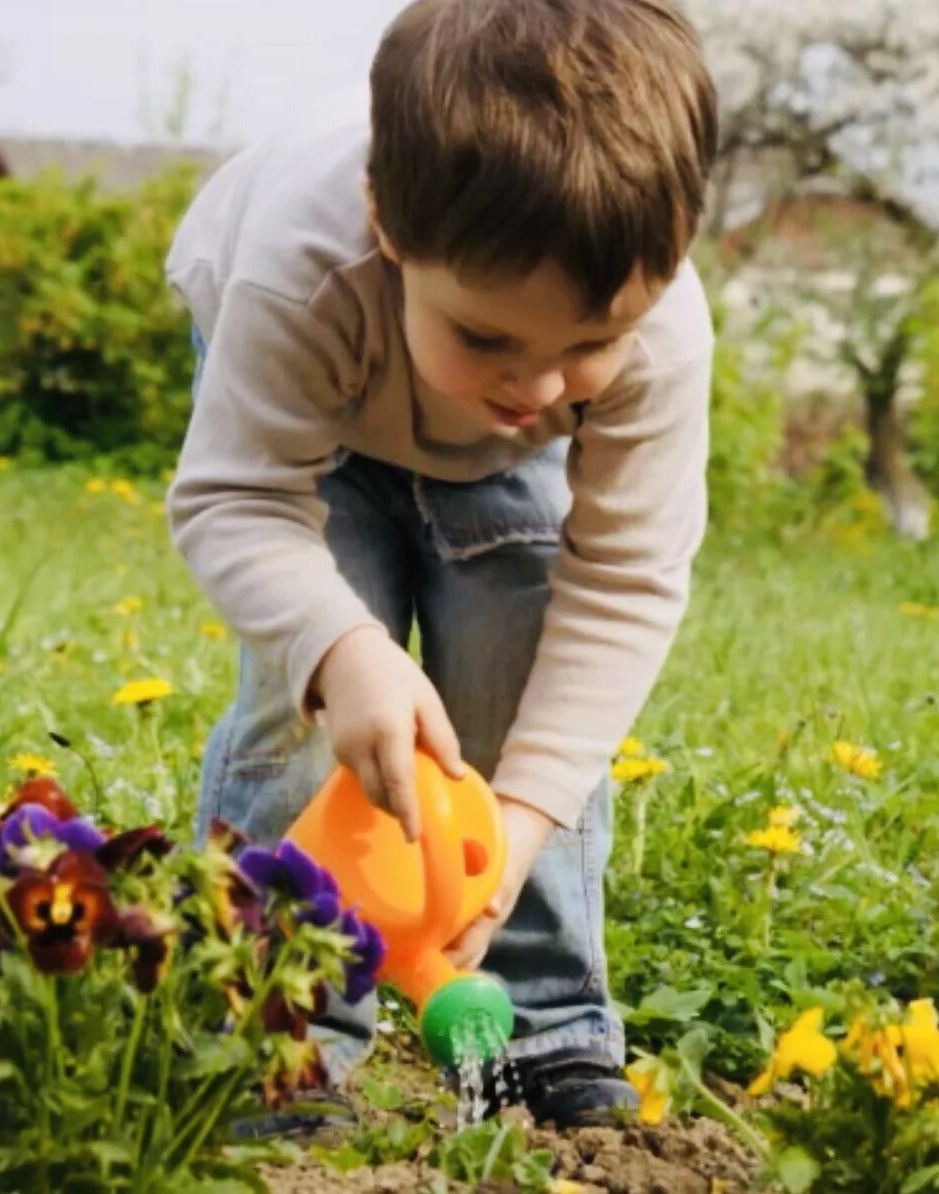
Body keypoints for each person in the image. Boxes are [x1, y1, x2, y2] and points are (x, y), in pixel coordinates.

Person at [164, 0, 717, 1131]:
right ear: (389, 227)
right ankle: (276, 1032)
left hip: (476, 446)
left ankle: (547, 1027)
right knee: (318, 710)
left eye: (588, 347)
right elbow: (237, 497)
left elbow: (623, 581)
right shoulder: (298, 270)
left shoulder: (654, 334)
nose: (541, 384)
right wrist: (341, 645)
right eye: (490, 336)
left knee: (516, 667)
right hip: (314, 416)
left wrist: (513, 825)